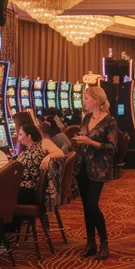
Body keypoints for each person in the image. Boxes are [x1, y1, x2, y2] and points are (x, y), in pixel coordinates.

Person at [72, 85, 118, 259]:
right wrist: (80, 140)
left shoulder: (110, 121)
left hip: (98, 169)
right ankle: (90, 243)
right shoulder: (86, 118)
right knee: (86, 207)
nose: (84, 102)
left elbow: (112, 147)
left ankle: (104, 243)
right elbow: (83, 137)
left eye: (86, 99)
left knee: (92, 205)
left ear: (96, 100)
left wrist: (90, 142)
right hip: (81, 166)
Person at [13, 111, 64, 205]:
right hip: (24, 187)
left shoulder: (43, 143)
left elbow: (61, 153)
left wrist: (48, 156)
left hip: (31, 190)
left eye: (20, 135)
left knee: (4, 197)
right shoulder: (26, 149)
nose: (18, 138)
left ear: (29, 136)